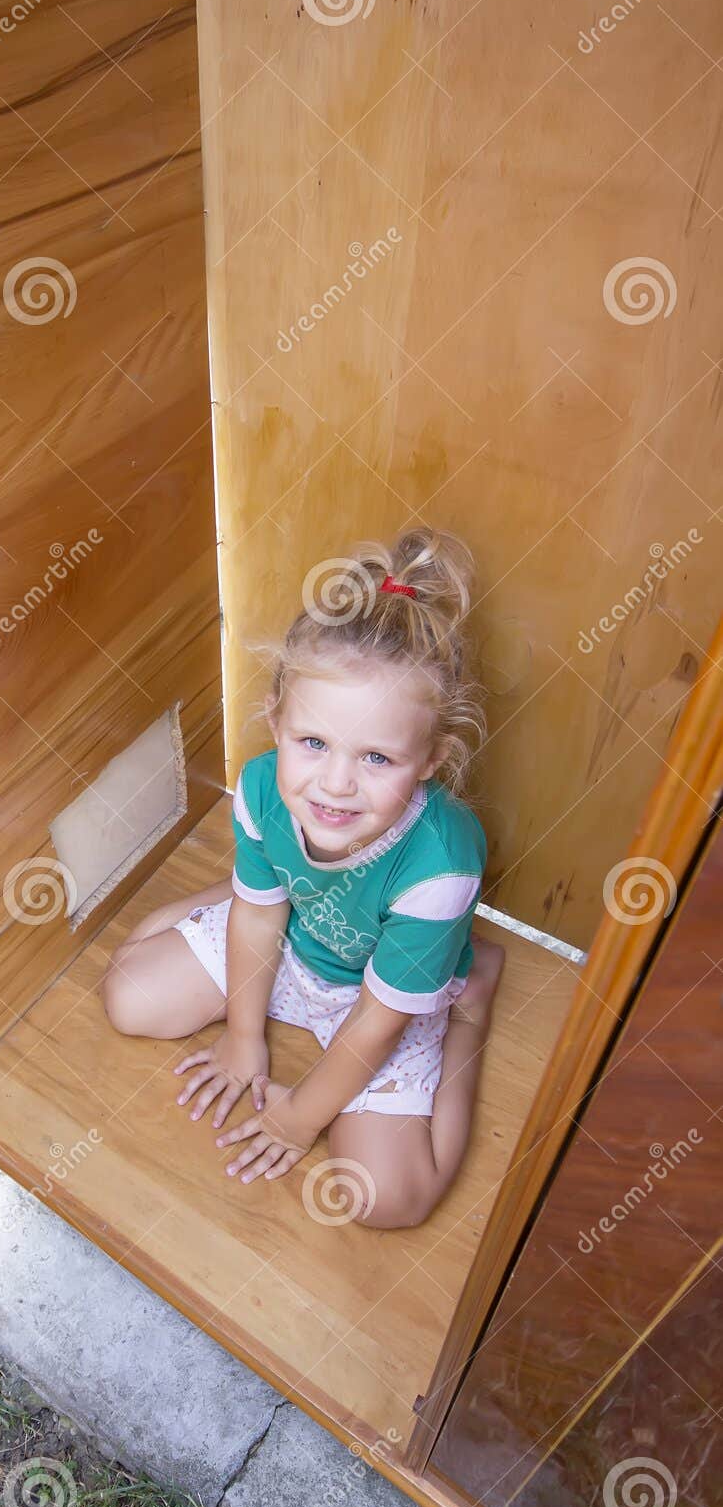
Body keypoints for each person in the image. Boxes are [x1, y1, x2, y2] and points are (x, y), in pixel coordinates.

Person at [102, 525, 506, 1229]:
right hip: (295, 945)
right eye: (312, 743)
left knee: (385, 1202)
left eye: (377, 758)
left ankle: (468, 1007)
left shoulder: (441, 863)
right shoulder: (262, 787)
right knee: (130, 1001)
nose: (336, 784)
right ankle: (240, 883)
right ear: (276, 721)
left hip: (382, 995)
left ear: (432, 758)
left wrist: (299, 1118)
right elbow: (260, 922)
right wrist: (243, 1036)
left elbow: (379, 1019)